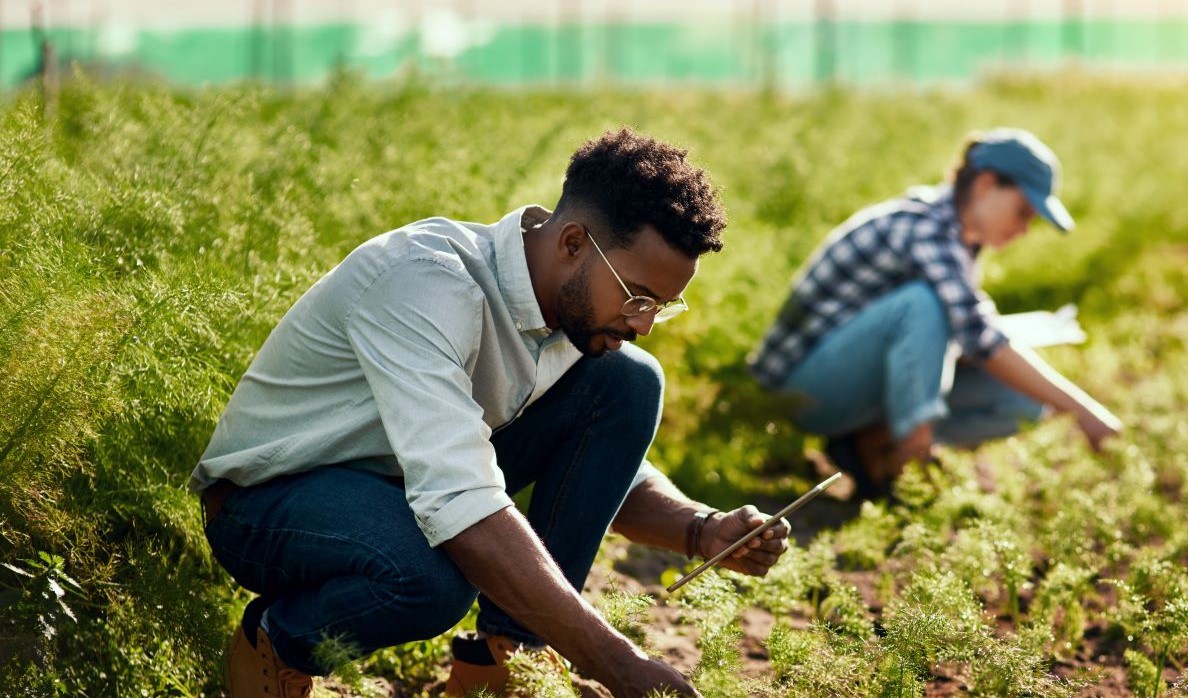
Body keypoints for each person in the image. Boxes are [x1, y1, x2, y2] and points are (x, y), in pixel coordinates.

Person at [191, 128, 791, 698]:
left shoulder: (566, 308)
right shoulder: (427, 283)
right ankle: (277, 640)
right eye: (637, 296)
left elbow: (597, 471)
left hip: (398, 482)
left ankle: (508, 660)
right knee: (429, 581)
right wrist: (615, 662)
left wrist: (701, 528)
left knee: (627, 383)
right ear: (574, 243)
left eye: (662, 304)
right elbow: (462, 503)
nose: (643, 323)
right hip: (272, 500)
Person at [748, 128, 1123, 499]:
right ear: (985, 185)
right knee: (921, 303)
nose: (1025, 229)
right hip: (802, 393)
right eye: (1023, 211)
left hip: (853, 386)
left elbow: (968, 336)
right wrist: (1086, 413)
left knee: (1023, 401)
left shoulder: (959, 239)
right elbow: (980, 337)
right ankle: (911, 465)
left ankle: (868, 446)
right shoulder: (927, 228)